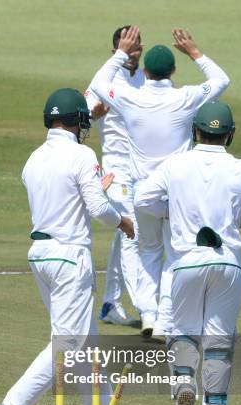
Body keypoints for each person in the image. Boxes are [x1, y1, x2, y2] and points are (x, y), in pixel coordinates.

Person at [0, 88, 137, 405]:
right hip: (70, 257)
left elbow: (63, 203)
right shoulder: (83, 154)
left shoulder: (33, 158)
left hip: (41, 255)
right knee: (68, 344)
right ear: (79, 120)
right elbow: (98, 209)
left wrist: (91, 192)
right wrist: (123, 222)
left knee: (86, 341)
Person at [134, 101, 241, 405]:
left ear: (195, 130)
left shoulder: (176, 165)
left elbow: (142, 198)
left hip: (186, 261)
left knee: (183, 332)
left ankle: (184, 385)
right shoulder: (238, 167)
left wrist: (169, 211)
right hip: (227, 261)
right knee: (218, 341)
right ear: (229, 135)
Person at [88, 27, 230, 338]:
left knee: (147, 251)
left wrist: (119, 54)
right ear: (173, 70)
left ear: (146, 71)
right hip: (179, 194)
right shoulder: (186, 97)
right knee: (174, 253)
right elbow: (221, 80)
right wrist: (194, 52)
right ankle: (164, 318)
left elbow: (99, 84)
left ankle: (149, 314)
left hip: (144, 193)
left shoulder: (131, 98)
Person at [85, 25, 145, 326]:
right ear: (116, 50)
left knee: (127, 234)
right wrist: (92, 116)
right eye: (128, 46)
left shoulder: (146, 79)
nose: (134, 52)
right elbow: (77, 116)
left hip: (144, 173)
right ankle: (149, 310)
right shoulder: (102, 81)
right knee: (131, 230)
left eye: (137, 46)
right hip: (116, 172)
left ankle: (110, 303)